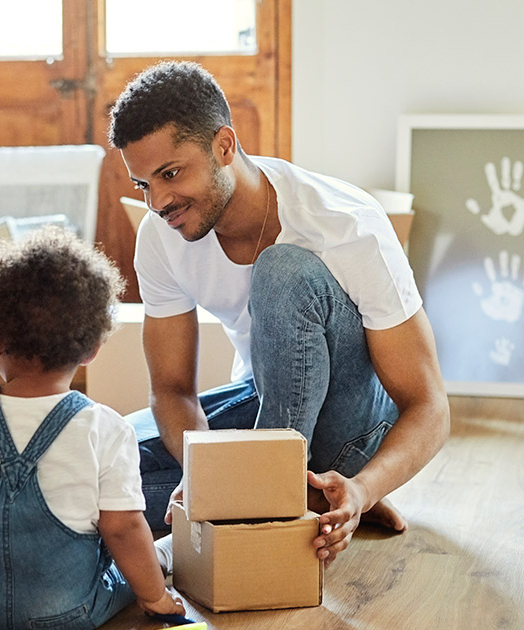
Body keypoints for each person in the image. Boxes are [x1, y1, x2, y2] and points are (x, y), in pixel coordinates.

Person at [108, 61, 450, 568]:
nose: (158, 202)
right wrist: (203, 478)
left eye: (170, 174)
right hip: (267, 401)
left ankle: (285, 501)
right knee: (106, 467)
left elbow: (429, 407)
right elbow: (171, 390)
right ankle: (302, 502)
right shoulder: (162, 235)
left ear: (224, 146)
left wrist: (364, 487)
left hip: (351, 426)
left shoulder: (344, 224)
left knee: (284, 271)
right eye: (142, 185)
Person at [0, 227, 185, 629]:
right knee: (131, 559)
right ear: (91, 349)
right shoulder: (103, 427)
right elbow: (123, 529)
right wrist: (155, 597)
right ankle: (167, 557)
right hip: (72, 612)